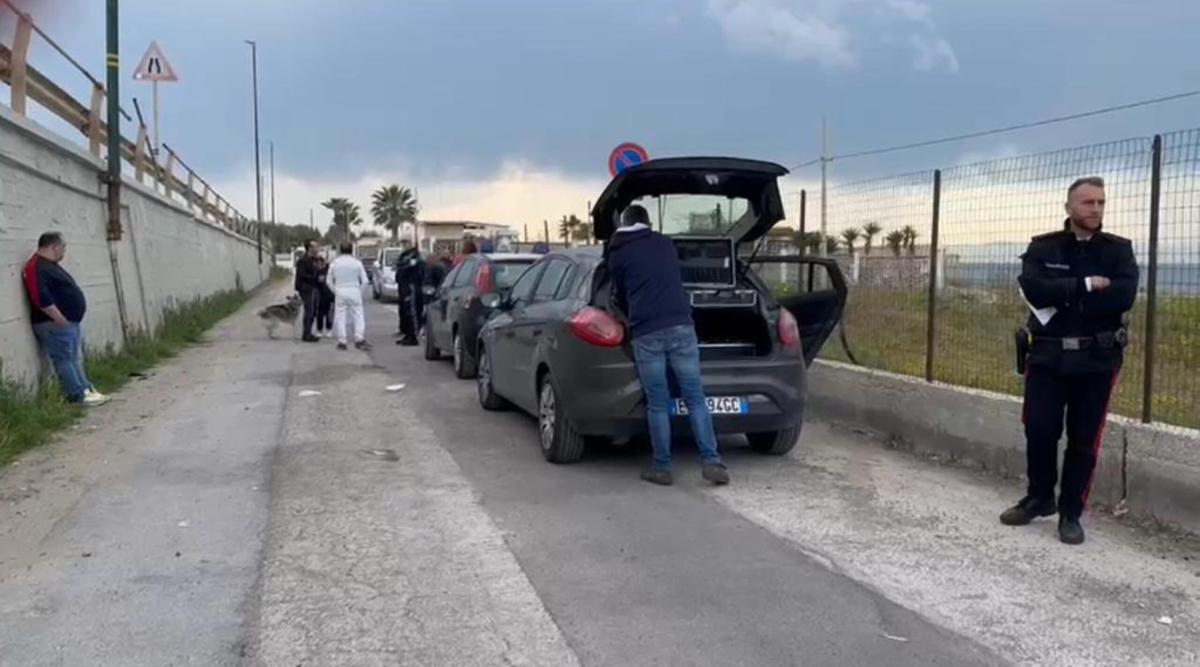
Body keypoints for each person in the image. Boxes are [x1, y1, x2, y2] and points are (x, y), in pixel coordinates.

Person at [1002, 176, 1138, 545]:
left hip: (1097, 358)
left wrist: (1061, 294)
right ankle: (1039, 497)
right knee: (1040, 429)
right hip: (1047, 354)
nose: (1095, 209)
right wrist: (1086, 286)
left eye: (1100, 203)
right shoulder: (1044, 247)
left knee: (1083, 440)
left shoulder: (1118, 251)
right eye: (1087, 203)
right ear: (1069, 208)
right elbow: (1033, 287)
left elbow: (1122, 297)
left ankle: (1071, 512)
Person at [607, 204, 729, 487]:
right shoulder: (665, 243)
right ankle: (712, 462)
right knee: (695, 397)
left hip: (646, 331)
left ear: (624, 222)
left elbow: (620, 294)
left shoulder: (618, 252)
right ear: (648, 223)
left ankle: (662, 467)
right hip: (681, 325)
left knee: (658, 403)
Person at [22, 232, 109, 407]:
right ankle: (76, 395)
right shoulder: (35, 266)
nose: (64, 251)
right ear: (53, 246)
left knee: (73, 358)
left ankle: (85, 390)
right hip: (54, 324)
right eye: (63, 247)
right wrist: (58, 317)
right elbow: (40, 296)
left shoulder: (50, 266)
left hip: (68, 323)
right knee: (64, 359)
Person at [327, 242, 372, 351]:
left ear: (340, 250)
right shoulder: (357, 263)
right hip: (354, 290)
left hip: (340, 290)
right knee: (358, 315)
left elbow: (328, 281)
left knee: (340, 316)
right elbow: (365, 281)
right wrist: (359, 292)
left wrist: (335, 291)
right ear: (352, 250)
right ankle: (359, 338)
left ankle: (342, 341)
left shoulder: (335, 263)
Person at [395, 244, 425, 346]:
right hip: (404, 289)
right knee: (405, 313)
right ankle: (407, 335)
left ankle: (413, 337)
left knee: (411, 313)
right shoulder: (405, 257)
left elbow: (405, 266)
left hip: (411, 289)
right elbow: (399, 265)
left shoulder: (416, 261)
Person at [293, 240, 322, 343]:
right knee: (309, 311)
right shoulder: (303, 260)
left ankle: (308, 331)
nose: (317, 248)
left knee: (313, 311)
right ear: (309, 248)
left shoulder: (317, 259)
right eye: (315, 246)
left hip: (315, 287)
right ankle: (306, 333)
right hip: (306, 288)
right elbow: (301, 275)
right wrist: (314, 276)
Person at [313, 255, 335, 338]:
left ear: (322, 263)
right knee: (320, 314)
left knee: (329, 314)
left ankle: (329, 329)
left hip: (330, 295)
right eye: (316, 264)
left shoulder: (329, 270)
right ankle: (319, 330)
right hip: (320, 296)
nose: (317, 266)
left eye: (318, 264)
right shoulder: (316, 272)